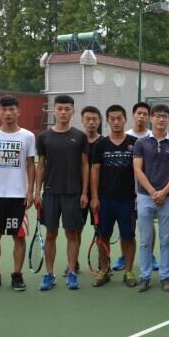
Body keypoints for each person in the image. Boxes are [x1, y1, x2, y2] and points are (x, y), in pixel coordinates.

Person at [0, 96, 36, 292]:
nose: (8, 113)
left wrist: (30, 191)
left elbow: (30, 164)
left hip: (17, 197)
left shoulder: (28, 136)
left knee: (18, 237)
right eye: (4, 110)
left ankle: (17, 275)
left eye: (12, 109)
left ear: (18, 111)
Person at [34, 95, 89, 291]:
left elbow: (84, 165)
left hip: (73, 193)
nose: (63, 112)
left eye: (67, 109)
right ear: (54, 111)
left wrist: (84, 192)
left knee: (71, 234)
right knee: (51, 234)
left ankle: (72, 272)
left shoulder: (80, 137)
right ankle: (49, 274)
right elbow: (40, 165)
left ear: (73, 111)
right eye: (60, 109)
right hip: (50, 194)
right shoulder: (44, 137)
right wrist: (37, 192)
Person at [134, 104, 169, 292]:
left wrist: (163, 192)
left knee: (166, 240)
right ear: (151, 118)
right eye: (157, 116)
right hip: (144, 197)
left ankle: (165, 277)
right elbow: (137, 169)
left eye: (164, 116)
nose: (161, 119)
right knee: (145, 240)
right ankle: (145, 277)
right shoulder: (141, 143)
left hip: (168, 198)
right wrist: (152, 191)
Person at [90, 105, 138, 288]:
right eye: (112, 119)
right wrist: (95, 197)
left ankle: (128, 271)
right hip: (105, 200)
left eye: (119, 118)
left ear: (125, 120)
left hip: (128, 200)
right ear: (107, 121)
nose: (116, 122)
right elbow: (95, 171)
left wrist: (138, 196)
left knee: (128, 237)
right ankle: (104, 270)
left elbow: (140, 171)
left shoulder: (135, 143)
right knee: (103, 237)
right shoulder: (100, 144)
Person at [111, 102, 150, 272]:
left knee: (148, 225)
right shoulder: (124, 136)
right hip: (126, 192)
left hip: (146, 191)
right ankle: (123, 256)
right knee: (126, 229)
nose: (141, 116)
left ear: (149, 117)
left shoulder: (151, 137)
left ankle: (150, 255)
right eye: (138, 113)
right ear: (133, 116)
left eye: (145, 114)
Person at [69, 105, 103, 275]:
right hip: (79, 193)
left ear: (99, 121)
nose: (91, 122)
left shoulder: (104, 142)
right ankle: (73, 263)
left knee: (101, 231)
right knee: (76, 229)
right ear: (82, 120)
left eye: (94, 119)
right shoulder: (76, 141)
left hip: (100, 194)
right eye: (87, 119)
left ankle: (103, 264)